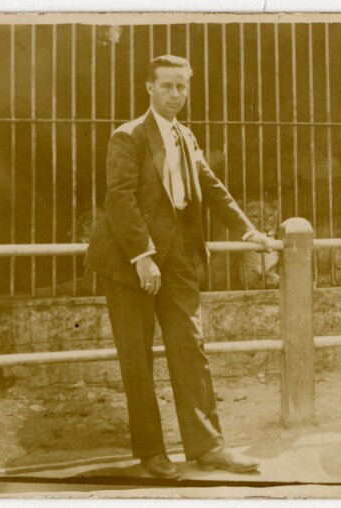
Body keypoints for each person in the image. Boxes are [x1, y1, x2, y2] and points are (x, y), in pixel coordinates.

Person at [85, 55, 270, 479]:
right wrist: (143, 256)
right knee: (137, 358)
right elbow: (120, 197)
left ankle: (209, 447)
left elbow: (211, 186)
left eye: (182, 86)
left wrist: (249, 231)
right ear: (149, 87)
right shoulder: (128, 135)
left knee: (190, 347)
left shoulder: (185, 135)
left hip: (179, 257)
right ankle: (151, 452)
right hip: (130, 261)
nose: (175, 94)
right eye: (167, 85)